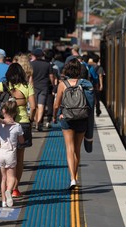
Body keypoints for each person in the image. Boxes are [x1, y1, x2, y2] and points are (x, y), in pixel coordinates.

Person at [0, 63, 36, 198]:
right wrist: (31, 119)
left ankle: (5, 185)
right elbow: (33, 106)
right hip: (22, 123)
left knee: (7, 154)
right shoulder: (26, 86)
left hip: (5, 124)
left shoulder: (2, 85)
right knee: (19, 158)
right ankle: (15, 188)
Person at [52, 58, 93, 190]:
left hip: (67, 118)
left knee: (69, 148)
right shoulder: (85, 83)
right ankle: (75, 175)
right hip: (82, 118)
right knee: (77, 149)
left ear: (67, 70)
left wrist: (55, 116)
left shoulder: (62, 84)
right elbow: (91, 102)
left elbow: (56, 104)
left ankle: (72, 179)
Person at [0, 98, 24, 208]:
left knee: (3, 178)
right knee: (11, 177)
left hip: (0, 153)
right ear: (15, 112)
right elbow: (21, 141)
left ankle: (3, 201)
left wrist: (2, 121)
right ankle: (9, 190)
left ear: (3, 111)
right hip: (11, 153)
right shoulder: (17, 126)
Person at [30, 48, 54, 132]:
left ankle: (35, 122)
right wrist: (53, 85)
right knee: (41, 105)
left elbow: (30, 77)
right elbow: (51, 76)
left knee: (35, 106)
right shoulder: (47, 64)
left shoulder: (31, 64)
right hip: (44, 87)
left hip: (34, 87)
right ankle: (38, 123)